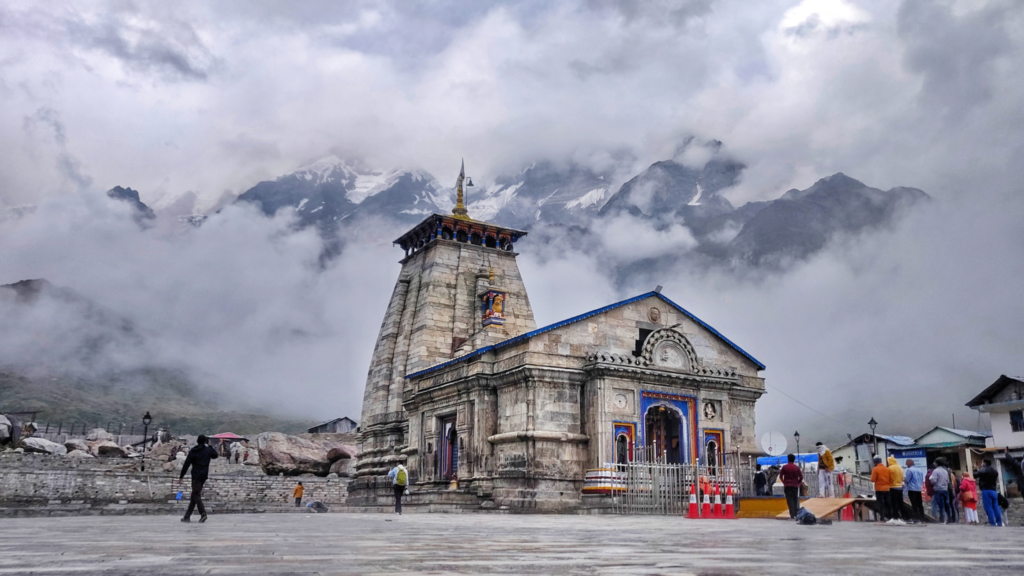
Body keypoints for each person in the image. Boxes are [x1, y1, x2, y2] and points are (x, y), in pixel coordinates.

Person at [178, 434, 218, 523]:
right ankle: (187, 516)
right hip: (203, 476)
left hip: (195, 476)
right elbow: (215, 455)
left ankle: (203, 513)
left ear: (197, 441)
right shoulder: (208, 450)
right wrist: (210, 445)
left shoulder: (193, 451)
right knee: (194, 495)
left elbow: (186, 464)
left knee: (196, 495)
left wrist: (181, 476)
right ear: (205, 441)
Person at [976, 458, 1003, 526]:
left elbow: (975, 474)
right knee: (996, 507)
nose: (982, 464)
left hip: (986, 490)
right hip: (993, 490)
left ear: (985, 463)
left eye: (982, 462)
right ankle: (999, 522)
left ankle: (992, 522)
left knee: (988, 507)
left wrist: (977, 468)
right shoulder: (995, 471)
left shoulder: (984, 469)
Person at [779, 454, 803, 519]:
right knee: (795, 500)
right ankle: (795, 514)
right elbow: (801, 477)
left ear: (788, 459)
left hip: (787, 486)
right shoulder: (797, 468)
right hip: (795, 486)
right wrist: (798, 483)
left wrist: (784, 482)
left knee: (790, 501)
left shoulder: (784, 467)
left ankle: (792, 515)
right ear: (794, 459)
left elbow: (780, 476)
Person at [928, 457, 951, 524]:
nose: (934, 464)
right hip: (945, 489)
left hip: (938, 489)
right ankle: (949, 518)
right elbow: (948, 481)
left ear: (937, 463)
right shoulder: (945, 471)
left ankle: (942, 519)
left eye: (935, 462)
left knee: (941, 505)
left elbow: (933, 481)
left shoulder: (935, 471)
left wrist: (931, 480)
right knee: (947, 504)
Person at [870, 456, 892, 522]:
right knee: (888, 503)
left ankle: (882, 518)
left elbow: (873, 479)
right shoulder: (887, 469)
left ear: (875, 462)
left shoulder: (875, 469)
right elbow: (891, 479)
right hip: (887, 489)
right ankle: (891, 517)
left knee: (881, 504)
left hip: (879, 489)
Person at [904, 459, 925, 523]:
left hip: (912, 489)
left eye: (907, 463)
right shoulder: (919, 470)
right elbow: (921, 479)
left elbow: (907, 480)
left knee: (914, 504)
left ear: (909, 463)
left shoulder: (909, 470)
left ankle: (916, 518)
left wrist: (904, 481)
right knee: (920, 504)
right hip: (919, 489)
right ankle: (922, 519)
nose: (906, 465)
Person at [887, 456, 905, 524]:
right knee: (900, 502)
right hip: (900, 487)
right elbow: (902, 477)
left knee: (894, 503)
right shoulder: (900, 467)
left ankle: (895, 517)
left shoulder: (890, 468)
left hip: (892, 487)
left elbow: (889, 478)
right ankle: (903, 517)